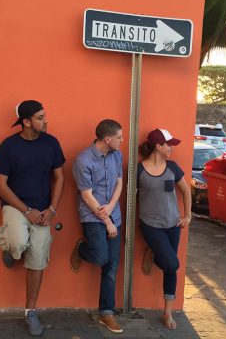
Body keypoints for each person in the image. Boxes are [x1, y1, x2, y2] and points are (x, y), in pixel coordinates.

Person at [0, 100, 65, 337]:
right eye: (40, 117)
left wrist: (52, 209)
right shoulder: (9, 147)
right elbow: (0, 185)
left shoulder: (51, 143)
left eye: (45, 116)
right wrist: (26, 210)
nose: (46, 121)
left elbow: (59, 178)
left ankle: (30, 312)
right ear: (26, 121)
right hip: (16, 205)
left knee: (38, 258)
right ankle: (9, 246)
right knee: (17, 243)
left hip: (43, 209)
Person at [70, 119, 124, 334]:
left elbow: (120, 181)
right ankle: (81, 249)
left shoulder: (117, 155)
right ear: (107, 139)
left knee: (111, 267)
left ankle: (106, 313)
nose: (122, 141)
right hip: (92, 217)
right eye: (119, 137)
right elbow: (87, 195)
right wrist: (107, 220)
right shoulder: (83, 160)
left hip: (113, 213)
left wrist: (111, 208)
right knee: (101, 258)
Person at [137, 129, 191, 330]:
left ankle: (167, 312)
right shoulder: (139, 170)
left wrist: (188, 215)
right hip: (150, 225)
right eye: (168, 145)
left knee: (170, 267)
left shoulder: (173, 167)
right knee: (172, 264)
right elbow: (130, 197)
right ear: (158, 146)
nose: (171, 148)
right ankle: (153, 250)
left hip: (173, 224)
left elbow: (185, 190)